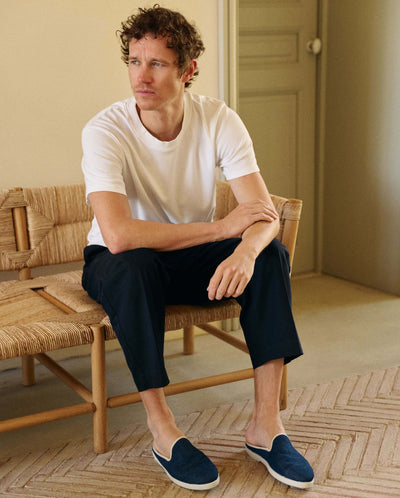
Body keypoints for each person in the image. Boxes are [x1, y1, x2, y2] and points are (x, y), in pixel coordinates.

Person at [81, 4, 314, 491]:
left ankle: (266, 427)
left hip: (185, 257)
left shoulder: (218, 119)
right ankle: (164, 430)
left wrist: (245, 251)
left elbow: (264, 216)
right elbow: (119, 235)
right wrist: (222, 230)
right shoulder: (104, 130)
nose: (141, 76)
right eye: (134, 61)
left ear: (188, 70)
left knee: (270, 255)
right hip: (117, 263)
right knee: (134, 266)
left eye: (157, 63)